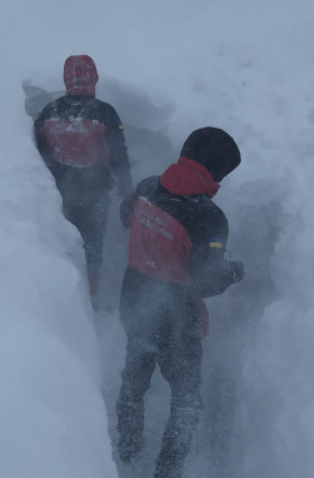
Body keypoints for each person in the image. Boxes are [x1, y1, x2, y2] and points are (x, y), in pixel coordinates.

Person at [115, 127, 245, 478]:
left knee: (134, 379)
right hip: (176, 320)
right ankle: (167, 472)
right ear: (216, 172)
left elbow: (125, 216)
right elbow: (204, 282)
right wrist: (231, 272)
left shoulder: (148, 187)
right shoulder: (209, 218)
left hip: (134, 300)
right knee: (187, 399)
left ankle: (127, 449)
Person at [33, 55, 133, 300]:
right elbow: (118, 154)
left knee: (62, 244)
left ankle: (62, 295)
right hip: (94, 192)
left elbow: (37, 152)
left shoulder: (49, 111)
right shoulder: (104, 112)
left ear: (67, 79)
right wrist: (126, 188)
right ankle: (89, 297)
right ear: (93, 78)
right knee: (92, 247)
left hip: (59, 192)